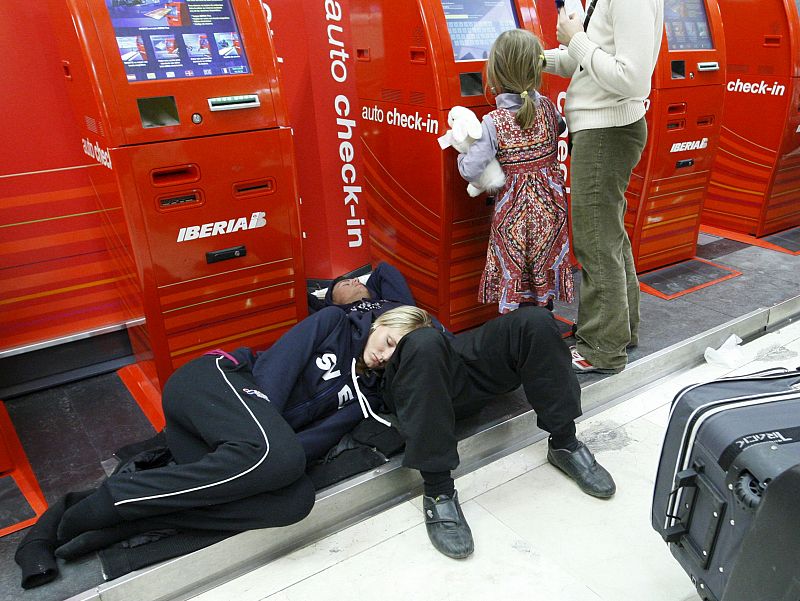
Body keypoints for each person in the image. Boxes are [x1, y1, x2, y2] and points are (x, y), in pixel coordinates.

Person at [14, 305, 432, 588]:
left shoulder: (367, 397)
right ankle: (114, 502)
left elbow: (308, 447)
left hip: (235, 446)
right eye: (391, 341)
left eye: (398, 358)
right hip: (215, 385)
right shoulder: (333, 323)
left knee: (296, 501)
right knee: (279, 456)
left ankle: (118, 519)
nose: (385, 356)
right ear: (381, 323)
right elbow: (270, 377)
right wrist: (270, 446)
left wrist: (270, 458)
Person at [324, 261, 616, 560]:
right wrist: (328, 296)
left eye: (356, 281)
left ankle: (564, 442)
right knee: (423, 343)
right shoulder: (338, 319)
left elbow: (386, 270)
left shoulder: (395, 306)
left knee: (534, 320)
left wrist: (373, 293)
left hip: (453, 356)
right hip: (405, 376)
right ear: (332, 300)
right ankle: (438, 491)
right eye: (342, 286)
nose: (351, 283)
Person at [543, 0, 664, 374]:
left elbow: (632, 77)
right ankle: (619, 333)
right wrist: (528, 56)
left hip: (606, 132)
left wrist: (576, 39)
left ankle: (602, 349)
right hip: (601, 129)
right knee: (609, 236)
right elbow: (581, 62)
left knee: (596, 241)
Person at [457, 28, 573, 314]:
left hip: (514, 220)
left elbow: (471, 171)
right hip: (551, 212)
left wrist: (461, 156)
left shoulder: (493, 122)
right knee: (542, 271)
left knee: (517, 272)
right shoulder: (547, 107)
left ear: (494, 75)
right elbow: (559, 129)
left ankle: (518, 332)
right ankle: (544, 322)